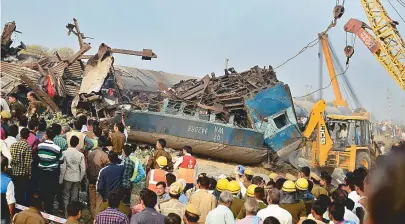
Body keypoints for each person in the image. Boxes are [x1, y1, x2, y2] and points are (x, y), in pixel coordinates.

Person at [36, 127, 64, 213]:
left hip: (41, 172)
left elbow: (38, 157)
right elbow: (61, 160)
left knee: (42, 191)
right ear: (54, 136)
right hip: (52, 173)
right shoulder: (57, 148)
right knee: (50, 193)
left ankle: (40, 209)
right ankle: (48, 211)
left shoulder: (40, 146)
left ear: (46, 135)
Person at [60, 136, 86, 217]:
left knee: (66, 197)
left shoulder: (64, 153)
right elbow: (83, 169)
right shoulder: (80, 154)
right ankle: (73, 216)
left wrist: (61, 179)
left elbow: (63, 168)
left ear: (69, 142)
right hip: (76, 178)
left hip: (67, 177)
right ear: (77, 144)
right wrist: (80, 179)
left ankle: (66, 215)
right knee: (74, 199)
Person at [87, 136, 110, 218]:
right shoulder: (104, 155)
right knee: (98, 201)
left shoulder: (90, 153)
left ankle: (93, 217)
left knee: (92, 201)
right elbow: (109, 166)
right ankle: (97, 219)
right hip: (99, 181)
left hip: (90, 179)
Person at [10, 128, 32, 205]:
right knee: (21, 193)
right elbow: (27, 163)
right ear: (28, 136)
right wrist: (29, 174)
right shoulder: (27, 147)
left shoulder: (13, 145)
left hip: (13, 172)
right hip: (23, 174)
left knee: (14, 192)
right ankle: (20, 209)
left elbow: (11, 159)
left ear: (20, 135)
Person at [1, 156, 15, 223]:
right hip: (2, 215)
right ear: (5, 167)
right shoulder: (8, 182)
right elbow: (10, 202)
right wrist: (11, 216)